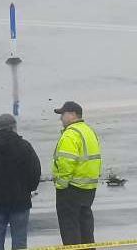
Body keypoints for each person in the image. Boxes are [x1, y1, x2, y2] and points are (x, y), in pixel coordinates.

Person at [0, 114, 41, 249]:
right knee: (19, 239)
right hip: (21, 201)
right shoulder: (25, 146)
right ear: (14, 127)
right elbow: (35, 171)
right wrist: (29, 189)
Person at [53, 101, 102, 245]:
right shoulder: (89, 131)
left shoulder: (71, 134)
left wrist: (60, 185)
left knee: (70, 230)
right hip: (88, 189)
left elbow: (67, 163)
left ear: (73, 114)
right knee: (86, 228)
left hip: (71, 189)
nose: (61, 118)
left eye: (63, 114)